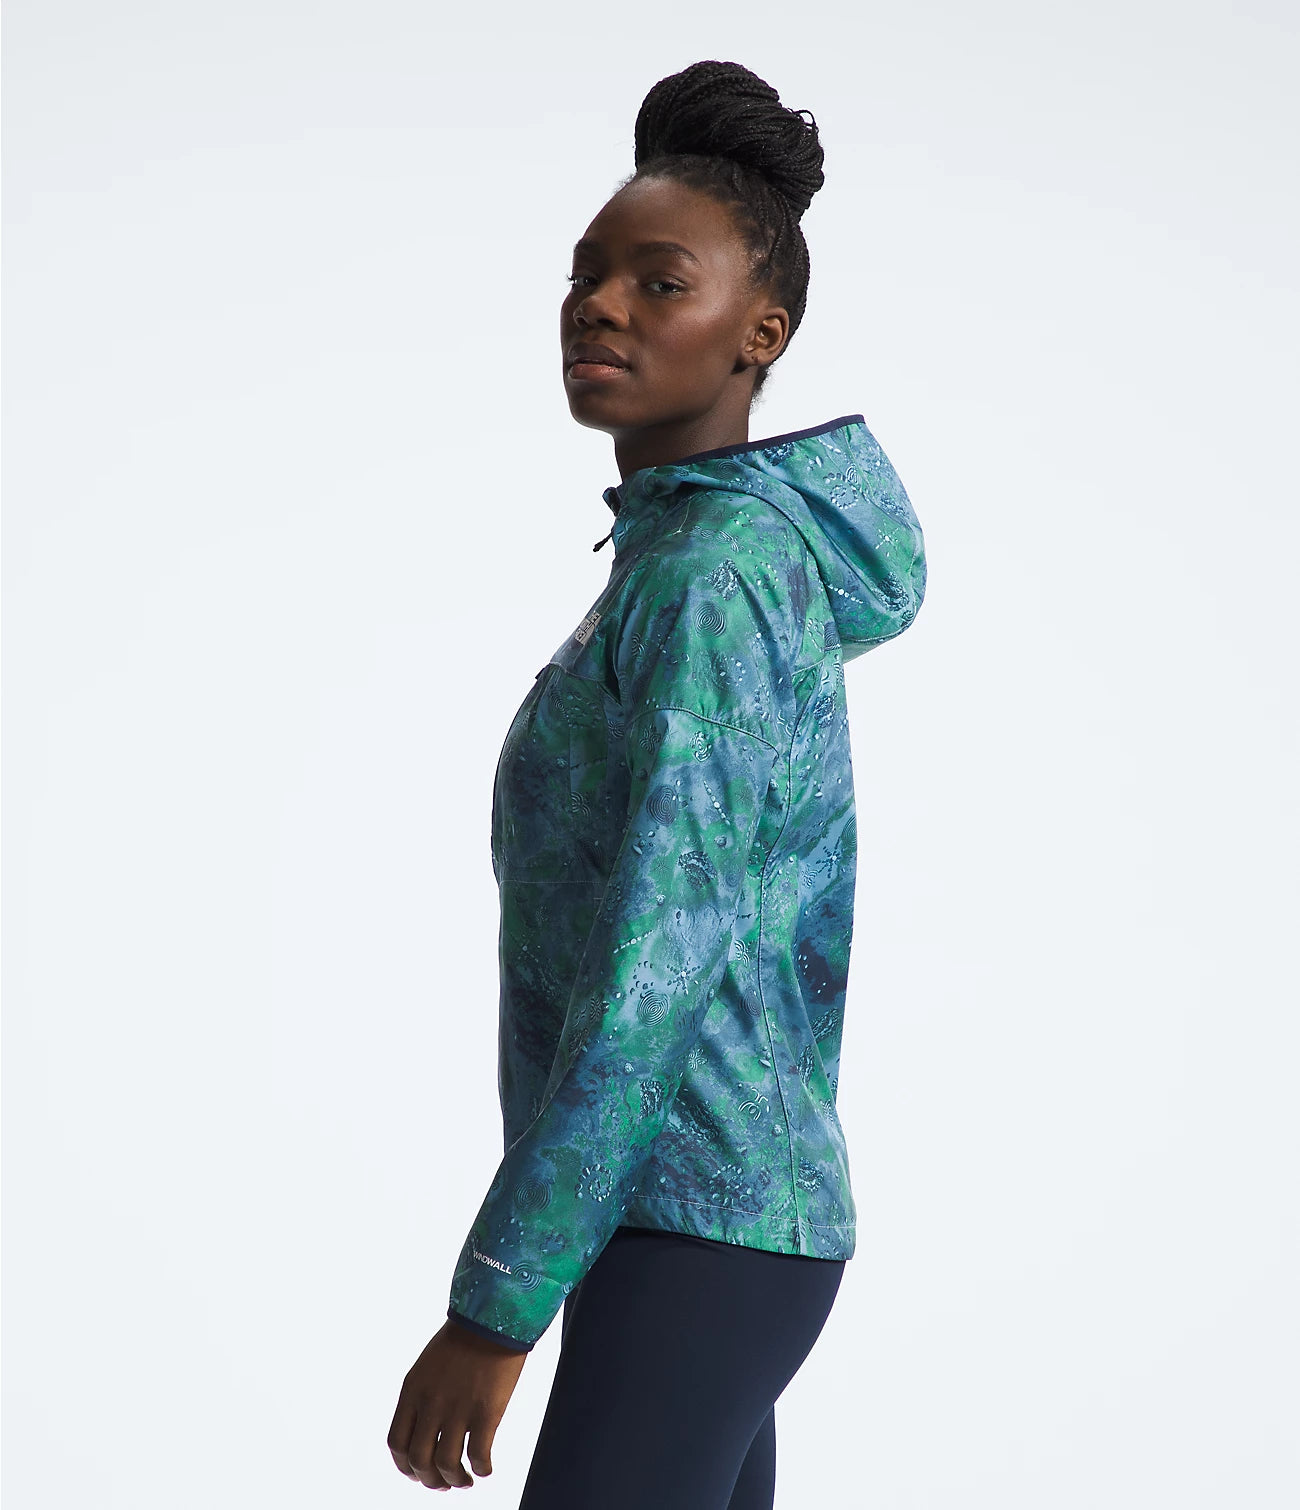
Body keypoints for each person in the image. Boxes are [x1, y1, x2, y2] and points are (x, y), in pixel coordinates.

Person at [387, 58, 927, 1507]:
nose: (600, 305)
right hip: (693, 1223)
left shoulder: (714, 578)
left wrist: (498, 1301)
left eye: (658, 282)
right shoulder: (671, 570)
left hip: (700, 1221)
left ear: (762, 334)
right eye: (586, 274)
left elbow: (659, 957)